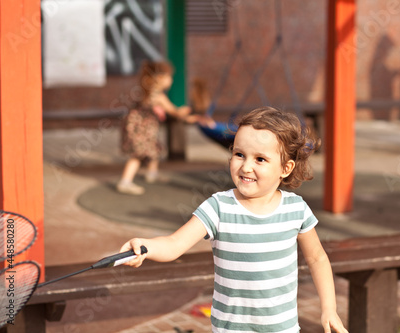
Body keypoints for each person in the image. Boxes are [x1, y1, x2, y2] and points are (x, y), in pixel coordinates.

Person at [120, 107, 348, 332]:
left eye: (260, 159)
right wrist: (145, 246)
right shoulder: (219, 207)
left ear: (285, 168)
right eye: (239, 154)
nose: (246, 166)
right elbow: (174, 244)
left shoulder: (296, 209)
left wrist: (329, 308)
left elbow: (317, 258)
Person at [117, 60, 191, 195]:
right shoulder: (158, 96)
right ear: (160, 78)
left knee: (154, 148)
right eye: (169, 77)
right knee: (137, 155)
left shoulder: (146, 91)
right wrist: (185, 111)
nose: (171, 80)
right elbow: (174, 112)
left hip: (140, 128)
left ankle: (152, 173)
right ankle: (125, 182)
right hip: (142, 130)